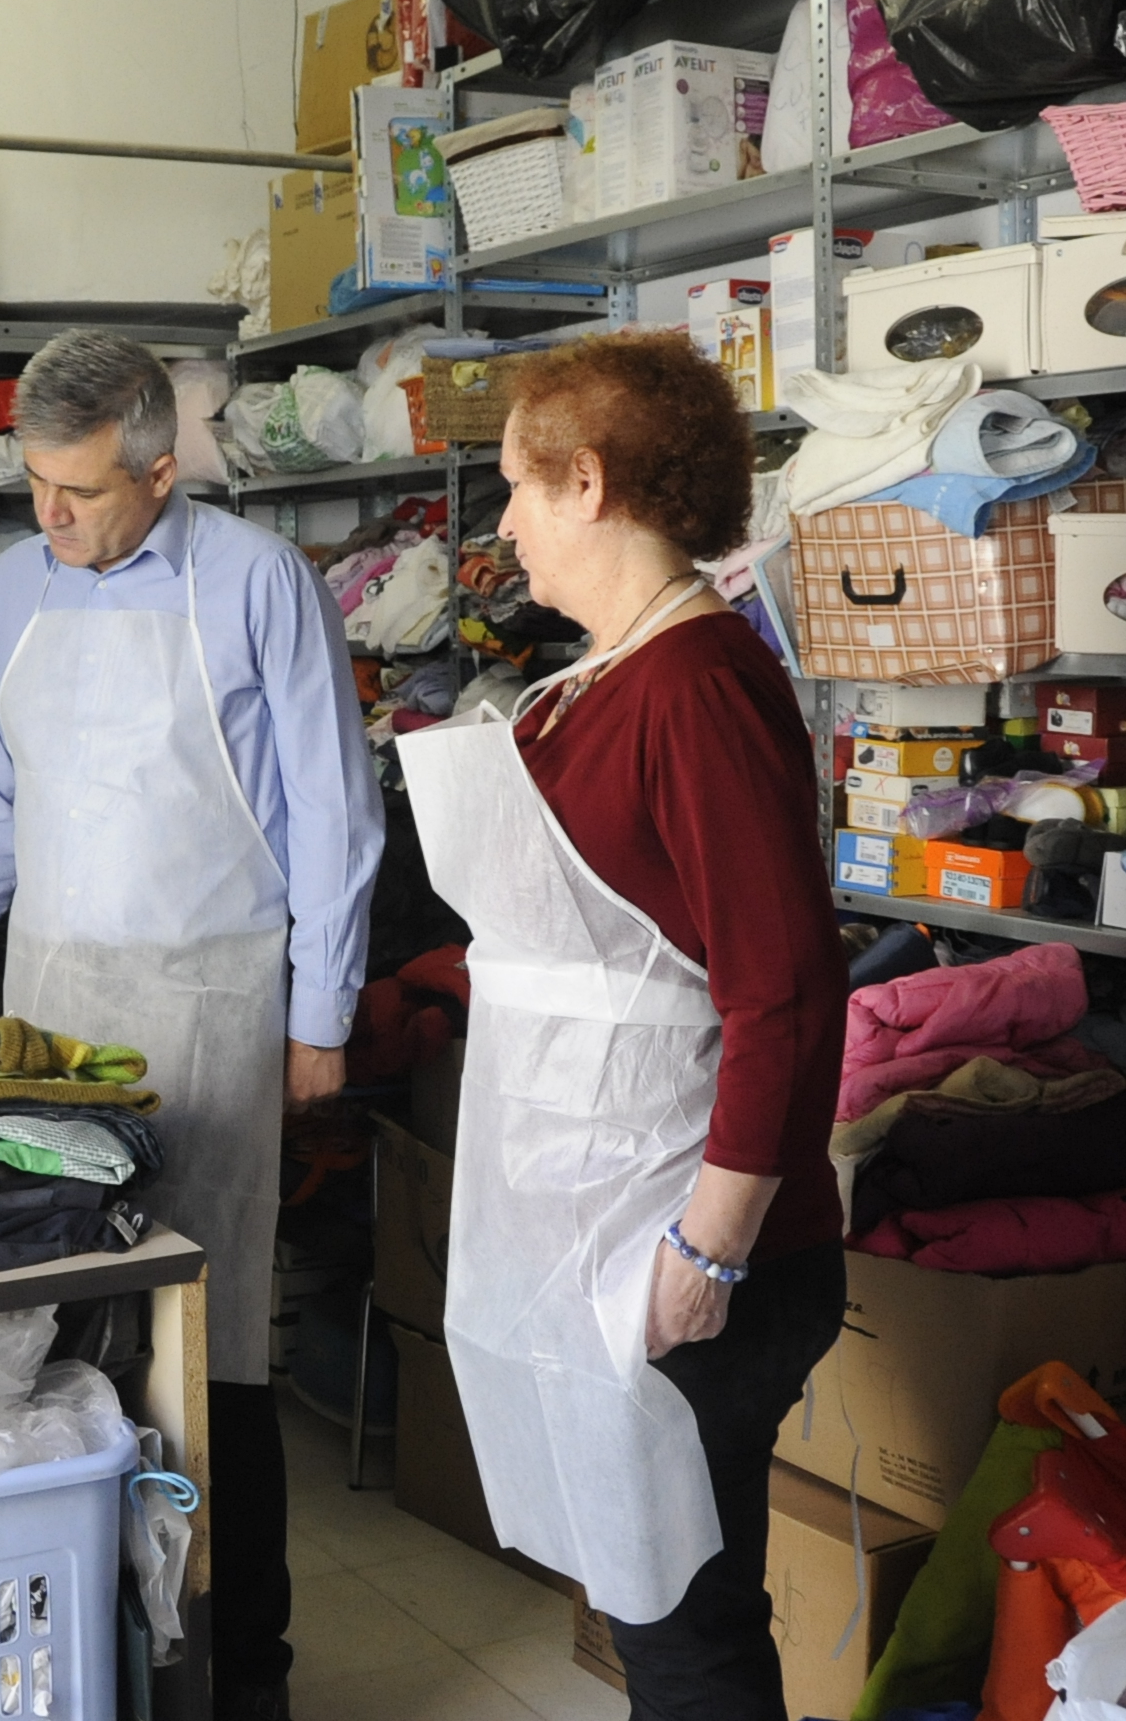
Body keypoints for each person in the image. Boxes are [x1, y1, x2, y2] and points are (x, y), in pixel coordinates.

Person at [0, 329, 382, 1720]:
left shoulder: (258, 582)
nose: (50, 513)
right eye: (33, 485)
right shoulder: (12, 592)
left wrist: (322, 1011)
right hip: (48, 1016)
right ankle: (89, 1665)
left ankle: (247, 1675)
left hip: (209, 1010)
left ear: (161, 472)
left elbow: (333, 807)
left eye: (79, 489)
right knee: (53, 1345)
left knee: (214, 1356)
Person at [395, 331, 844, 1721]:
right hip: (606, 1222)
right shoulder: (602, 676)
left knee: (687, 1634)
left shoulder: (697, 686)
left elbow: (784, 988)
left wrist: (709, 1249)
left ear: (587, 484)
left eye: (518, 488)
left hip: (692, 1244)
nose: (503, 526)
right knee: (653, 1616)